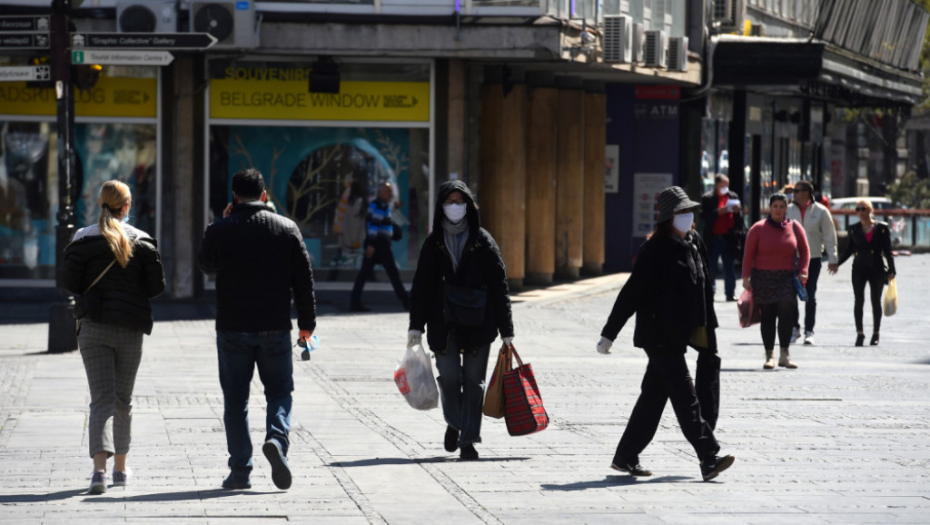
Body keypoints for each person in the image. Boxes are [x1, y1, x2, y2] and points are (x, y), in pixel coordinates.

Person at [596, 186, 734, 482]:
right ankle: (708, 457)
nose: (688, 216)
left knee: (653, 397)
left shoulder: (694, 242)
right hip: (658, 334)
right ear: (668, 217)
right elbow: (631, 293)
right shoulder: (656, 249)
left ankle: (625, 456)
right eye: (681, 212)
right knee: (686, 395)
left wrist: (707, 334)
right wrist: (610, 334)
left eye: (689, 211)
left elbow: (704, 289)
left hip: (681, 334)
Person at [198, 168, 316, 491]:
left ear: (235, 196)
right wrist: (307, 326)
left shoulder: (220, 228)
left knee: (236, 401)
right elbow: (304, 280)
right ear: (264, 195)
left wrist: (221, 222)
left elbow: (205, 265)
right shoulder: (287, 228)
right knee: (279, 391)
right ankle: (277, 440)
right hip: (275, 327)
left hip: (233, 328)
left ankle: (240, 471)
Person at [61, 180, 166, 494]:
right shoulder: (143, 241)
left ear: (101, 205)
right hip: (130, 330)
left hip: (93, 328)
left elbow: (69, 280)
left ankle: (98, 473)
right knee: (123, 401)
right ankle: (120, 470)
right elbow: (156, 287)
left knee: (100, 401)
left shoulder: (82, 238)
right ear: (127, 206)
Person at [407, 180, 514, 461]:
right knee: (451, 377)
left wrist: (507, 330)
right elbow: (422, 286)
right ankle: (454, 423)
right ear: (442, 206)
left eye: (460, 201)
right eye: (449, 202)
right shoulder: (434, 243)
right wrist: (415, 326)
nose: (455, 207)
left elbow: (499, 284)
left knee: (474, 382)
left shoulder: (483, 240)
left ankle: (468, 441)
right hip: (444, 322)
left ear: (468, 205)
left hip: (479, 323)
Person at [742, 193, 810, 370]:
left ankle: (785, 354)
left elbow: (805, 251)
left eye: (781, 206)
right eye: (775, 206)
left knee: (786, 310)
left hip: (786, 277)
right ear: (769, 208)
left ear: (786, 208)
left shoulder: (795, 227)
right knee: (768, 315)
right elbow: (748, 254)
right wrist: (745, 277)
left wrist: (803, 272)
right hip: (763, 277)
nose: (778, 210)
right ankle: (769, 354)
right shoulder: (757, 228)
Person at [836, 200, 896, 346]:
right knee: (859, 300)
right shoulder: (854, 229)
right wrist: (836, 263)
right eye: (858, 209)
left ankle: (876, 333)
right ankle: (860, 333)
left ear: (870, 210)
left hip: (876, 268)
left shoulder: (881, 228)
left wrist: (892, 269)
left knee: (875, 301)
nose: (860, 212)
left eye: (863, 209)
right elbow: (849, 249)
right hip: (859, 269)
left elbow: (888, 250)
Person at [786, 180, 838, 346]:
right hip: (791, 258)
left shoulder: (821, 211)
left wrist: (833, 258)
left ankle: (809, 331)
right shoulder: (787, 210)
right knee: (790, 294)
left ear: (807, 192)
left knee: (810, 294)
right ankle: (794, 328)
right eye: (794, 190)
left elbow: (829, 236)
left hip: (813, 258)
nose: (795, 193)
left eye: (798, 190)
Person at [350, 182, 409, 312]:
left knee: (365, 274)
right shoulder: (379, 205)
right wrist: (371, 244)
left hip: (378, 244)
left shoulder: (380, 205)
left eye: (390, 191)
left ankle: (354, 302)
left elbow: (378, 224)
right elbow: (374, 225)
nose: (390, 194)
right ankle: (406, 302)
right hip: (379, 245)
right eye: (388, 191)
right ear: (380, 192)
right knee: (393, 274)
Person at [700, 174, 742, 301]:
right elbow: (703, 216)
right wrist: (718, 212)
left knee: (729, 266)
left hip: (728, 237)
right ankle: (710, 292)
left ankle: (730, 293)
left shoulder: (733, 196)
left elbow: (738, 219)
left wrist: (736, 212)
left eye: (727, 185)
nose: (725, 187)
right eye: (723, 185)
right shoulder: (708, 198)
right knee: (711, 266)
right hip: (713, 237)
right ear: (717, 185)